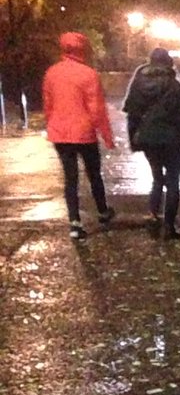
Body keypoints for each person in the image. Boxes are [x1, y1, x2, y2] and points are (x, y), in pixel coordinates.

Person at [42, 31, 116, 240]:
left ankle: (74, 222)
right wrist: (107, 136)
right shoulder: (88, 74)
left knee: (70, 178)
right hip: (84, 133)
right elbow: (96, 109)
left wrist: (52, 125)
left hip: (60, 133)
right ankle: (102, 211)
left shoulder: (51, 73)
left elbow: (48, 105)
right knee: (94, 173)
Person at [121, 48, 180, 240]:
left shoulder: (138, 85)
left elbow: (132, 115)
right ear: (168, 63)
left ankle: (153, 213)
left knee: (157, 176)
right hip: (173, 140)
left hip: (149, 140)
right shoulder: (175, 86)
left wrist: (133, 139)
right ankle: (170, 226)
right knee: (173, 181)